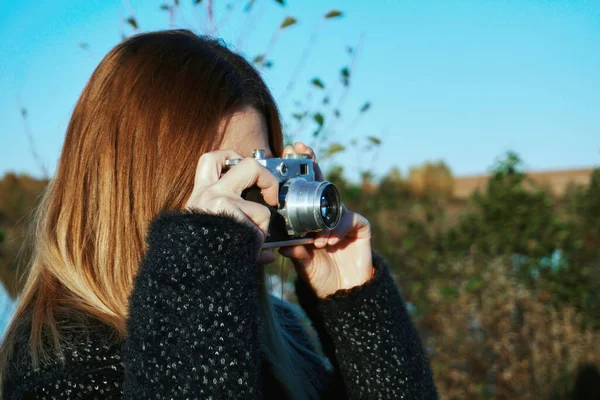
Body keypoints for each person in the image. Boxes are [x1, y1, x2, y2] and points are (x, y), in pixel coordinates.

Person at [0, 30, 437, 399]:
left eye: (263, 172)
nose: (262, 202)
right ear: (141, 187)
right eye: (232, 179)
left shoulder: (275, 330)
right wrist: (201, 260)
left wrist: (354, 306)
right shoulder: (59, 361)